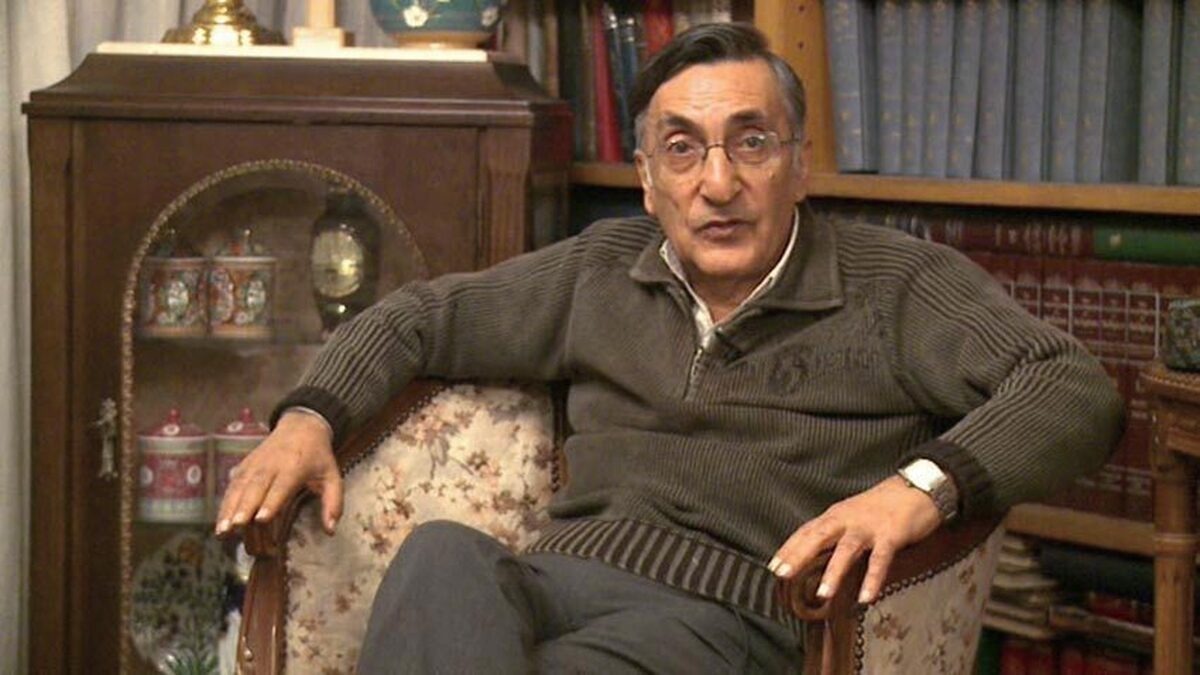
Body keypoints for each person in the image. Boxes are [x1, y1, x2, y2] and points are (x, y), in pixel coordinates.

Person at [216, 23, 1124, 673]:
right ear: (648, 181)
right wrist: (307, 419)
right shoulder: (601, 267)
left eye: (751, 143)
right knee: (440, 554)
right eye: (683, 151)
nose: (717, 183)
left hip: (731, 616)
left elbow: (1072, 386)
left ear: (799, 163)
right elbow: (418, 316)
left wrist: (919, 489)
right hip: (560, 578)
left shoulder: (896, 284)